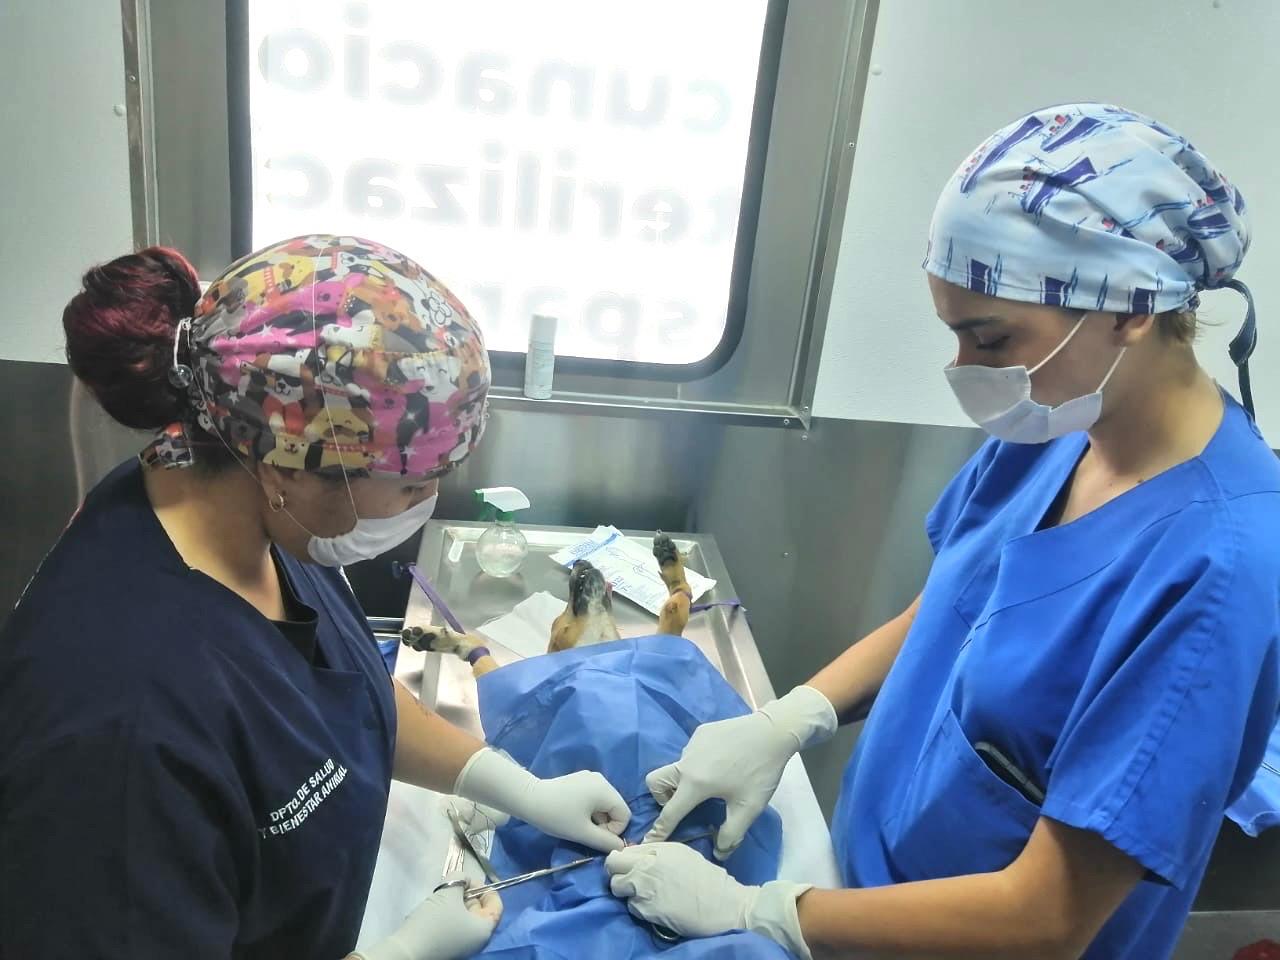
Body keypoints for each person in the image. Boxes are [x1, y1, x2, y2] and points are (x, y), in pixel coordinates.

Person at [604, 103, 1280, 959]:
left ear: (1130, 308)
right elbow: (958, 606)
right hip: (867, 900)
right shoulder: (1059, 427)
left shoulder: (1220, 571)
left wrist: (760, 914)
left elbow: (1047, 919)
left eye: (990, 336)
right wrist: (794, 717)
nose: (966, 370)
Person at [0, 235, 631, 960]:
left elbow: (337, 690)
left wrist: (509, 785)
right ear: (289, 467)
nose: (426, 504)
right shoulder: (120, 736)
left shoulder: (261, 515)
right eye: (411, 486)